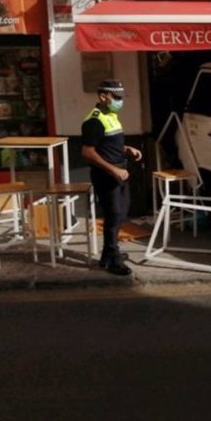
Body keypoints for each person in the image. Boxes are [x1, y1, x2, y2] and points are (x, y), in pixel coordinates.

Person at [81, 79, 142, 276]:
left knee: (121, 213)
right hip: (107, 175)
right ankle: (113, 259)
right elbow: (88, 152)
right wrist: (113, 170)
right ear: (103, 96)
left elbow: (106, 144)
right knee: (114, 214)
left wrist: (126, 149)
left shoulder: (112, 116)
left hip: (120, 172)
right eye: (116, 97)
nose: (119, 101)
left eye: (121, 97)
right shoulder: (94, 120)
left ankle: (108, 253)